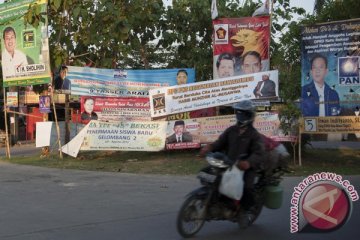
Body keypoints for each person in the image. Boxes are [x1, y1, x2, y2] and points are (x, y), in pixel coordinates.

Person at [200, 100, 265, 228]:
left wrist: (248, 162)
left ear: (250, 115)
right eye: (239, 113)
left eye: (244, 114)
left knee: (247, 188)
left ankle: (243, 212)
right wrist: (209, 147)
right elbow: (219, 143)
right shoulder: (231, 130)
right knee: (211, 177)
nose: (240, 116)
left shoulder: (254, 135)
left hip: (245, 168)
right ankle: (214, 203)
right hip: (229, 164)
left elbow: (259, 153)